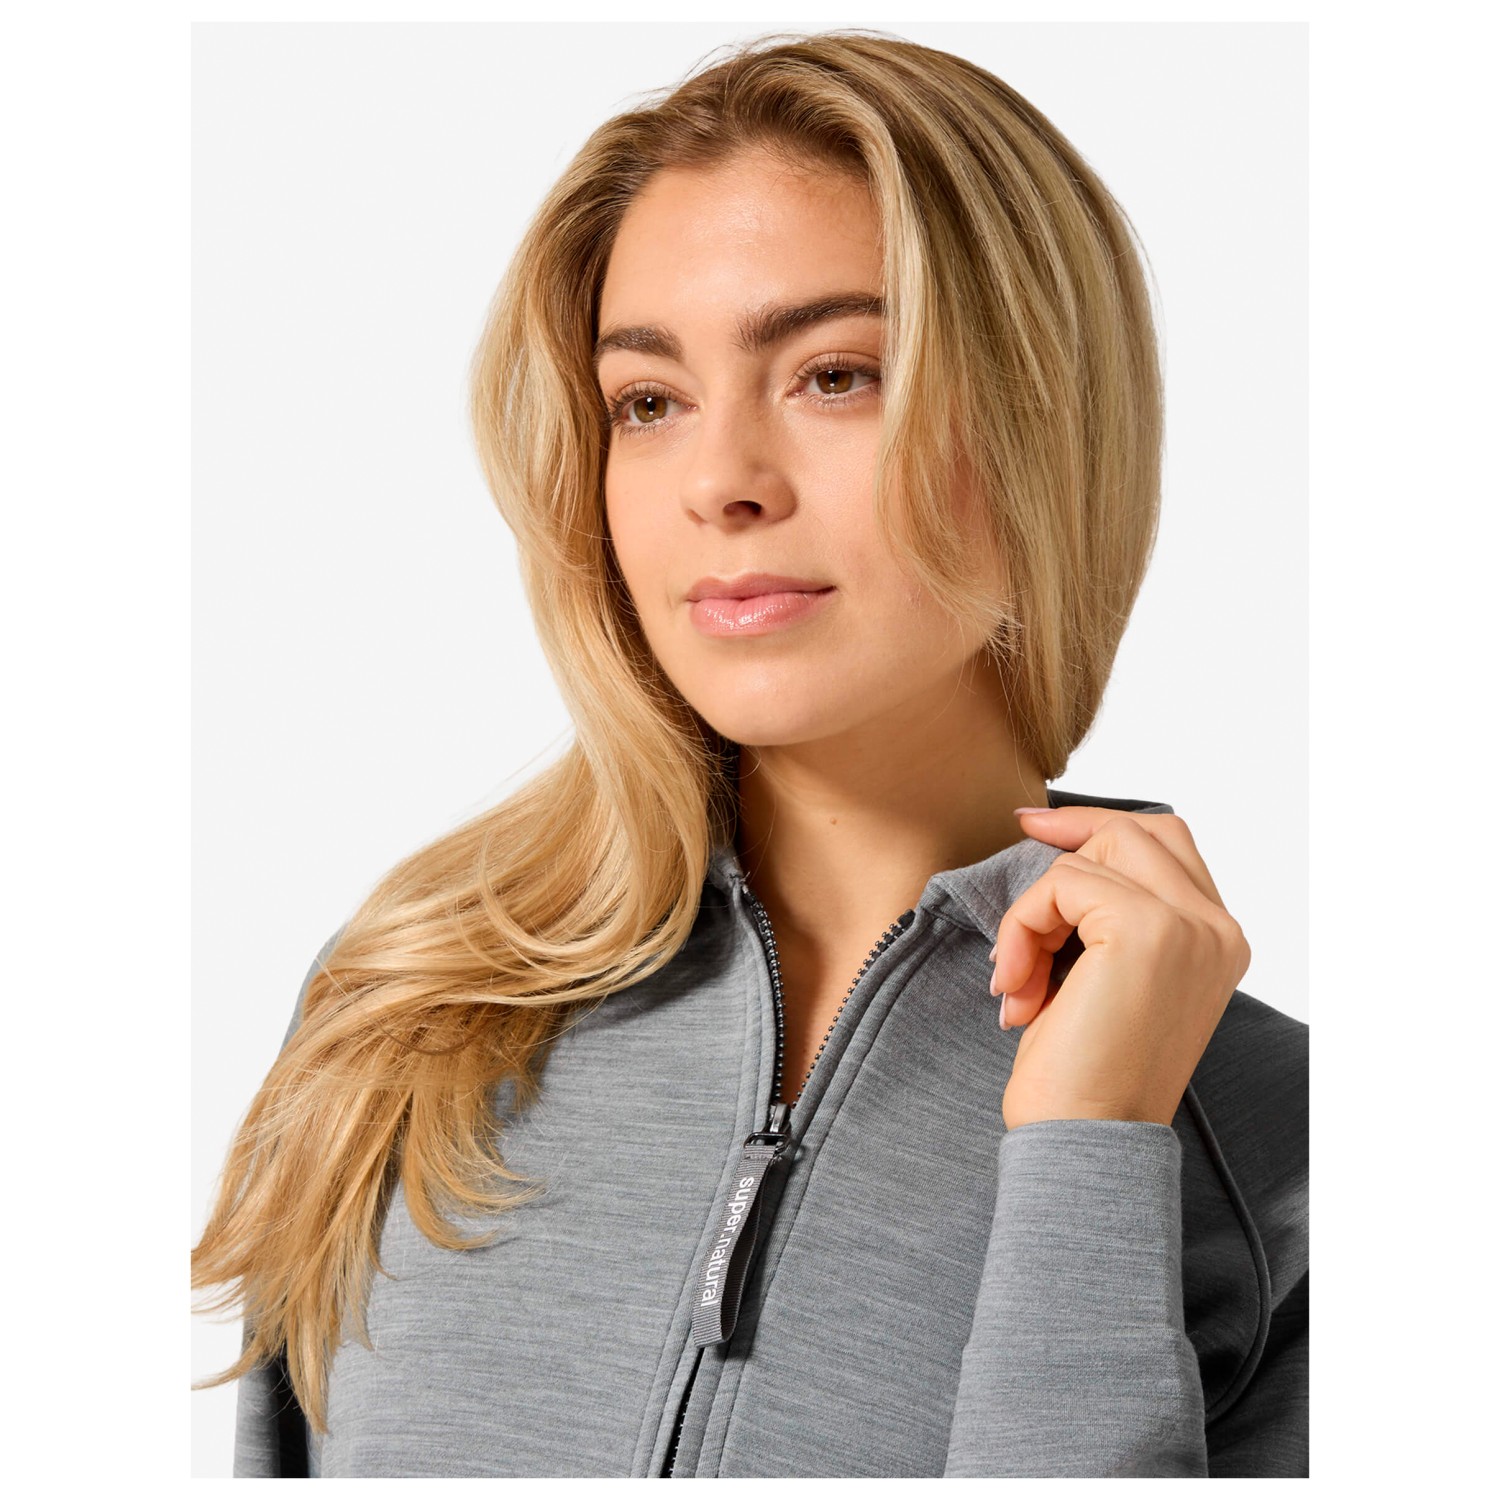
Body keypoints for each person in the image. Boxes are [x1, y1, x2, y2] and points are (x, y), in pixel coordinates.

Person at [192, 29, 1308, 1478]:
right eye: (648, 403)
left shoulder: (1273, 1142)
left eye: (835, 375)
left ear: (1045, 416)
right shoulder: (417, 1004)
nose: (720, 482)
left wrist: (1092, 1145)